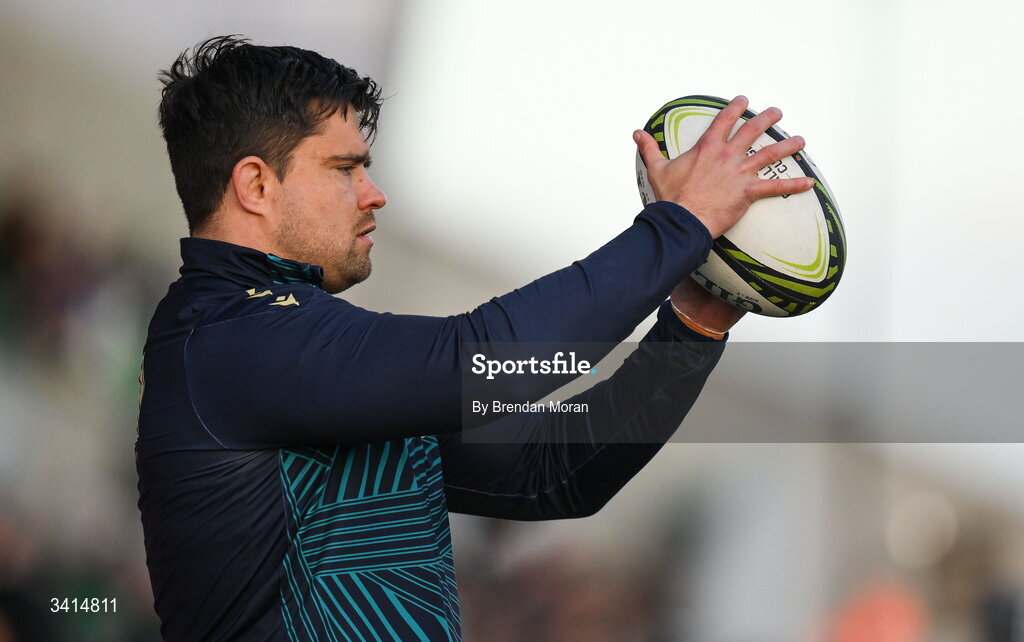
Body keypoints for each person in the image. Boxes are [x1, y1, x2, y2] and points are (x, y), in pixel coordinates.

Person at [136, 35, 813, 641]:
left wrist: (692, 323)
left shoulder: (295, 357)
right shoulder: (231, 337)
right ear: (255, 184)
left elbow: (554, 472)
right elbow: (488, 362)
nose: (374, 194)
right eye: (344, 169)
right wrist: (678, 227)